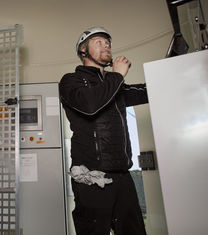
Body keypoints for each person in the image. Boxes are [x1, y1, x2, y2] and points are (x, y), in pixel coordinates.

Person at [59, 27, 148, 235]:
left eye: (108, 42)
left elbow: (149, 90)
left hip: (122, 177)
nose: (106, 45)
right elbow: (90, 105)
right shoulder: (70, 81)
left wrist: (172, 68)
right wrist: (117, 75)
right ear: (84, 51)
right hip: (92, 179)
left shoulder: (114, 84)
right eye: (99, 41)